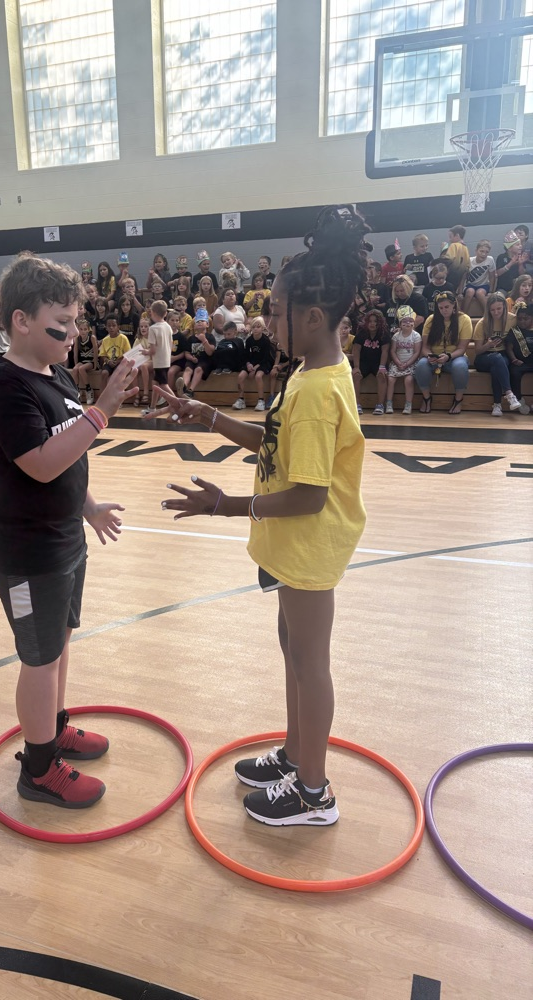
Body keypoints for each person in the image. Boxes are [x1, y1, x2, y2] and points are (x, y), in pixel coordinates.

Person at [156, 205, 369, 828]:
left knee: (310, 662)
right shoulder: (319, 370)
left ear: (309, 316)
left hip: (307, 542)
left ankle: (313, 791)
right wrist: (210, 416)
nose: (264, 319)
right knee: (292, 650)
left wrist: (225, 504)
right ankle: (295, 754)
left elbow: (307, 494)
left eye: (273, 311)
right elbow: (277, 446)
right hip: (294, 544)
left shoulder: (312, 392)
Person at [0, 252, 137, 808]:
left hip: (63, 536)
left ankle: (55, 727)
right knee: (40, 658)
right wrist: (104, 409)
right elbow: (41, 462)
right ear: (21, 321)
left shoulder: (56, 372)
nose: (72, 333)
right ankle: (39, 768)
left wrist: (87, 506)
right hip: (23, 549)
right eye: (61, 323)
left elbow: (66, 463)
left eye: (75, 322)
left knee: (60, 643)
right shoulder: (2, 385)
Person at [414, 291, 471, 414]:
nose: (444, 310)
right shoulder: (431, 319)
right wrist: (429, 355)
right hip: (434, 357)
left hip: (455, 356)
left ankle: (458, 400)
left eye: (447, 307)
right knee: (421, 365)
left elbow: (462, 348)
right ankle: (426, 397)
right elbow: (425, 347)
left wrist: (449, 356)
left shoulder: (464, 319)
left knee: (460, 366)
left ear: (454, 305)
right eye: (440, 308)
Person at [473, 292, 521, 416]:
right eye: (492, 310)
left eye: (499, 308)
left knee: (497, 366)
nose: (496, 312)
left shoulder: (512, 319)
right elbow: (477, 351)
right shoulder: (482, 323)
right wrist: (488, 345)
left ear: (504, 307)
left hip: (502, 355)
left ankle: (497, 405)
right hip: (484, 356)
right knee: (497, 359)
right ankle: (509, 394)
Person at [351, 309, 389, 415]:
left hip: (378, 362)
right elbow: (356, 350)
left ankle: (380, 405)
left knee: (382, 375)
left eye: (375, 321)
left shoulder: (383, 333)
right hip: (364, 362)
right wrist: (356, 367)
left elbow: (385, 351)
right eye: (370, 321)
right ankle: (356, 404)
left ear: (380, 323)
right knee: (356, 375)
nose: (373, 324)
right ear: (367, 322)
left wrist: (382, 367)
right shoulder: (361, 333)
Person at [234, 317, 277, 411]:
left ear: (263, 328)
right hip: (252, 363)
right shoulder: (249, 340)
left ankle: (261, 400)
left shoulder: (266, 340)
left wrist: (255, 368)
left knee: (258, 376)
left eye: (258, 327)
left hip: (264, 362)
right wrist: (248, 364)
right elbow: (246, 355)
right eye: (253, 327)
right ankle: (241, 399)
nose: (256, 329)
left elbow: (266, 357)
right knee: (241, 376)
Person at [385, 306, 422, 415]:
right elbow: (392, 351)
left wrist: (407, 364)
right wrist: (398, 362)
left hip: (411, 363)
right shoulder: (396, 336)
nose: (407, 323)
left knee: (408, 380)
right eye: (404, 321)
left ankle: (408, 404)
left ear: (414, 323)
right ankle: (388, 403)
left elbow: (416, 352)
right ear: (400, 324)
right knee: (390, 379)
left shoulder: (416, 336)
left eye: (410, 321)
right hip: (397, 363)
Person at [175, 309, 216, 398]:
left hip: (205, 360)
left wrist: (204, 340)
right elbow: (187, 353)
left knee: (198, 369)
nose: (200, 323)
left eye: (202, 321)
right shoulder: (191, 339)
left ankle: (191, 390)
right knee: (188, 369)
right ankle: (183, 387)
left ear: (207, 324)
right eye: (197, 322)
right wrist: (191, 358)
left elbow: (210, 352)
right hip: (193, 360)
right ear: (194, 326)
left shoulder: (210, 337)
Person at [506, 305, 533, 414]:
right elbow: (509, 348)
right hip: (520, 363)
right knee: (514, 372)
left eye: (526, 319)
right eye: (520, 319)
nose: (522, 322)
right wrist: (514, 359)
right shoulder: (514, 332)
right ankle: (519, 399)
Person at [70, 315, 99, 404]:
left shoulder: (92, 338)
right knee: (75, 369)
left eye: (85, 329)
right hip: (82, 361)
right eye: (81, 329)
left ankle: (89, 390)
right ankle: (76, 391)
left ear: (88, 329)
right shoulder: (77, 338)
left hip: (91, 361)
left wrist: (95, 365)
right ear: (78, 329)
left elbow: (96, 352)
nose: (83, 331)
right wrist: (76, 364)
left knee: (81, 369)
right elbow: (75, 354)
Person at [495, 225, 532, 294]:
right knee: (499, 297)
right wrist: (511, 263)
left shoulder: (520, 257)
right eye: (517, 245)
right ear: (509, 248)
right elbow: (498, 273)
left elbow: (522, 275)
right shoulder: (501, 257)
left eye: (520, 244)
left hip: (517, 290)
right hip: (503, 289)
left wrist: (520, 264)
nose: (520, 246)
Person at [461, 240, 495, 313]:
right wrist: (460, 292)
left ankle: (488, 314)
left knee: (479, 293)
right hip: (470, 285)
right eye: (481, 251)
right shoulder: (469, 261)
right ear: (476, 251)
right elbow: (463, 277)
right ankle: (463, 314)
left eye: (486, 252)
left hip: (483, 285)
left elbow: (492, 276)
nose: (484, 254)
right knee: (470, 292)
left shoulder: (490, 260)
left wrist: (491, 291)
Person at [98, 313, 131, 384]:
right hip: (108, 362)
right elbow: (102, 355)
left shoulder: (123, 338)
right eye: (109, 326)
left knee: (117, 373)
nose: (111, 328)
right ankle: (103, 394)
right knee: (104, 373)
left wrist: (118, 361)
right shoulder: (105, 340)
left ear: (118, 327)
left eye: (113, 325)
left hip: (120, 362)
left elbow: (128, 354)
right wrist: (108, 361)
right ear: (106, 327)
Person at [442, 225, 470, 289]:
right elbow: (468, 265)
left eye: (450, 237)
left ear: (457, 236)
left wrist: (443, 250)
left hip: (451, 275)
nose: (449, 239)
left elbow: (448, 259)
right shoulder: (465, 247)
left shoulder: (453, 245)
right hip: (460, 277)